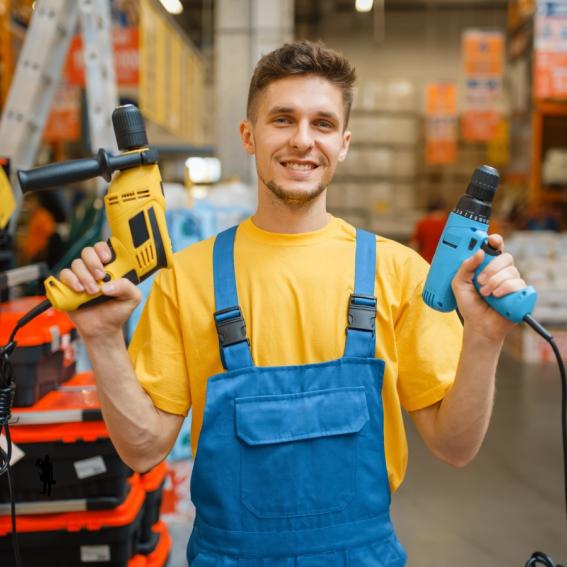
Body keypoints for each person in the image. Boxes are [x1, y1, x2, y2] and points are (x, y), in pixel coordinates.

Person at [60, 41, 528, 565]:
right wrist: (101, 338)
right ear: (249, 136)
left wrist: (485, 339)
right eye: (282, 119)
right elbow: (143, 451)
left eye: (322, 124)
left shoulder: (397, 272)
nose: (302, 140)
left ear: (344, 143)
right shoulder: (185, 279)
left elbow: (455, 446)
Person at [409, 196, 447, 263]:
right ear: (443, 209)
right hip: (442, 263)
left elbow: (414, 246)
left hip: (425, 263)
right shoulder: (448, 225)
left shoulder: (422, 224)